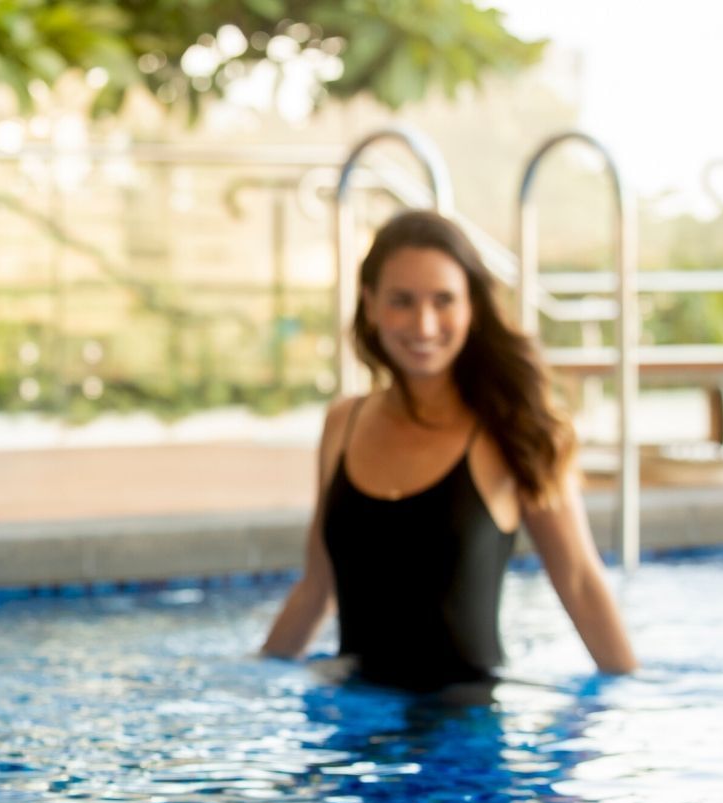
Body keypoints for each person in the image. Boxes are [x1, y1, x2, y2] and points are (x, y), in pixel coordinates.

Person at [261, 210, 637, 693]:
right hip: (356, 722)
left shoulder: (514, 430)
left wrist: (630, 702)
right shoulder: (343, 423)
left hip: (467, 736)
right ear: (370, 305)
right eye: (402, 301)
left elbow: (581, 582)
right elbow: (316, 587)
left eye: (444, 301)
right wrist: (257, 679)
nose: (424, 324)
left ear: (472, 308)